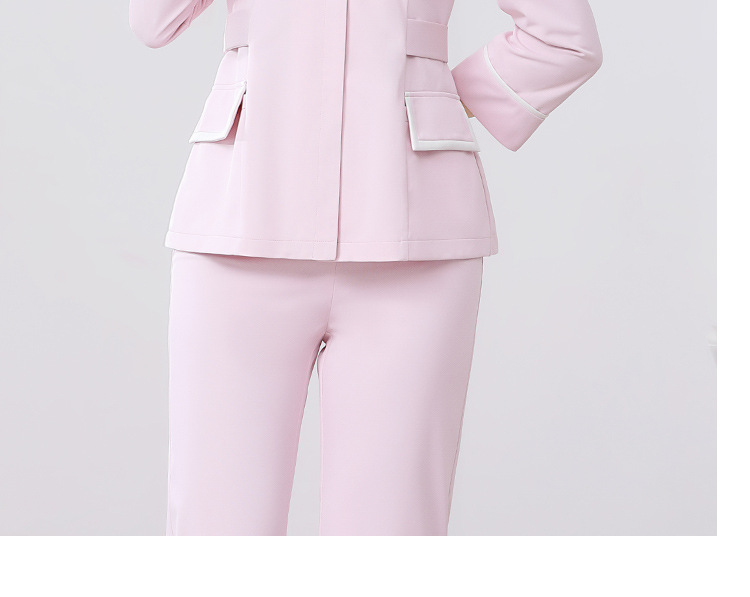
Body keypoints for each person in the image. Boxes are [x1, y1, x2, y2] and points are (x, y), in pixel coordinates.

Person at [129, 0, 603, 536]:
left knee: (391, 530)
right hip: (238, 230)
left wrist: (443, 97)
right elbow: (152, 21)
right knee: (216, 529)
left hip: (415, 241)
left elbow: (565, 38)